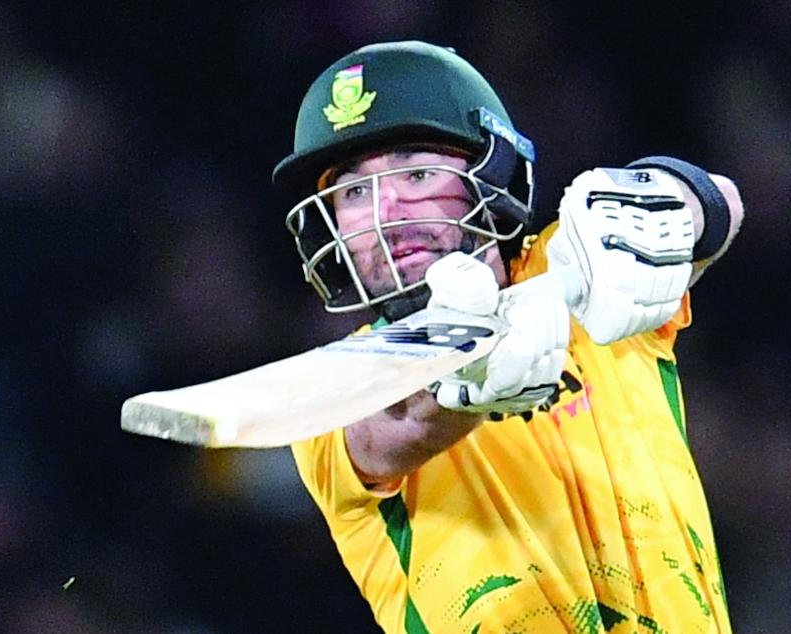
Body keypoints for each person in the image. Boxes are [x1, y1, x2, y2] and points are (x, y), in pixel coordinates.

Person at [272, 41, 743, 634]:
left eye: (416, 172)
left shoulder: (576, 269)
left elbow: (720, 202)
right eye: (353, 192)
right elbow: (397, 425)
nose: (385, 211)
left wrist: (661, 203)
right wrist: (460, 376)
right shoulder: (331, 387)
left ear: (490, 174)